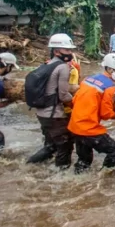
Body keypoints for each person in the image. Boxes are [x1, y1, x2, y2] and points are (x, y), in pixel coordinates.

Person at [68, 53, 115, 174]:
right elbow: (106, 113)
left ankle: (76, 180)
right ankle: (105, 177)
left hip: (74, 126)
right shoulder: (110, 87)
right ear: (110, 69)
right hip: (88, 128)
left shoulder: (87, 80)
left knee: (84, 160)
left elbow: (74, 101)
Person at [26, 34, 77, 168]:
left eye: (70, 50)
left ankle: (29, 165)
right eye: (67, 50)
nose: (70, 53)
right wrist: (77, 100)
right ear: (56, 51)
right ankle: (61, 178)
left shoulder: (46, 64)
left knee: (50, 146)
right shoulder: (63, 67)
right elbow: (63, 95)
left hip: (41, 114)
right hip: (54, 116)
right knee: (65, 147)